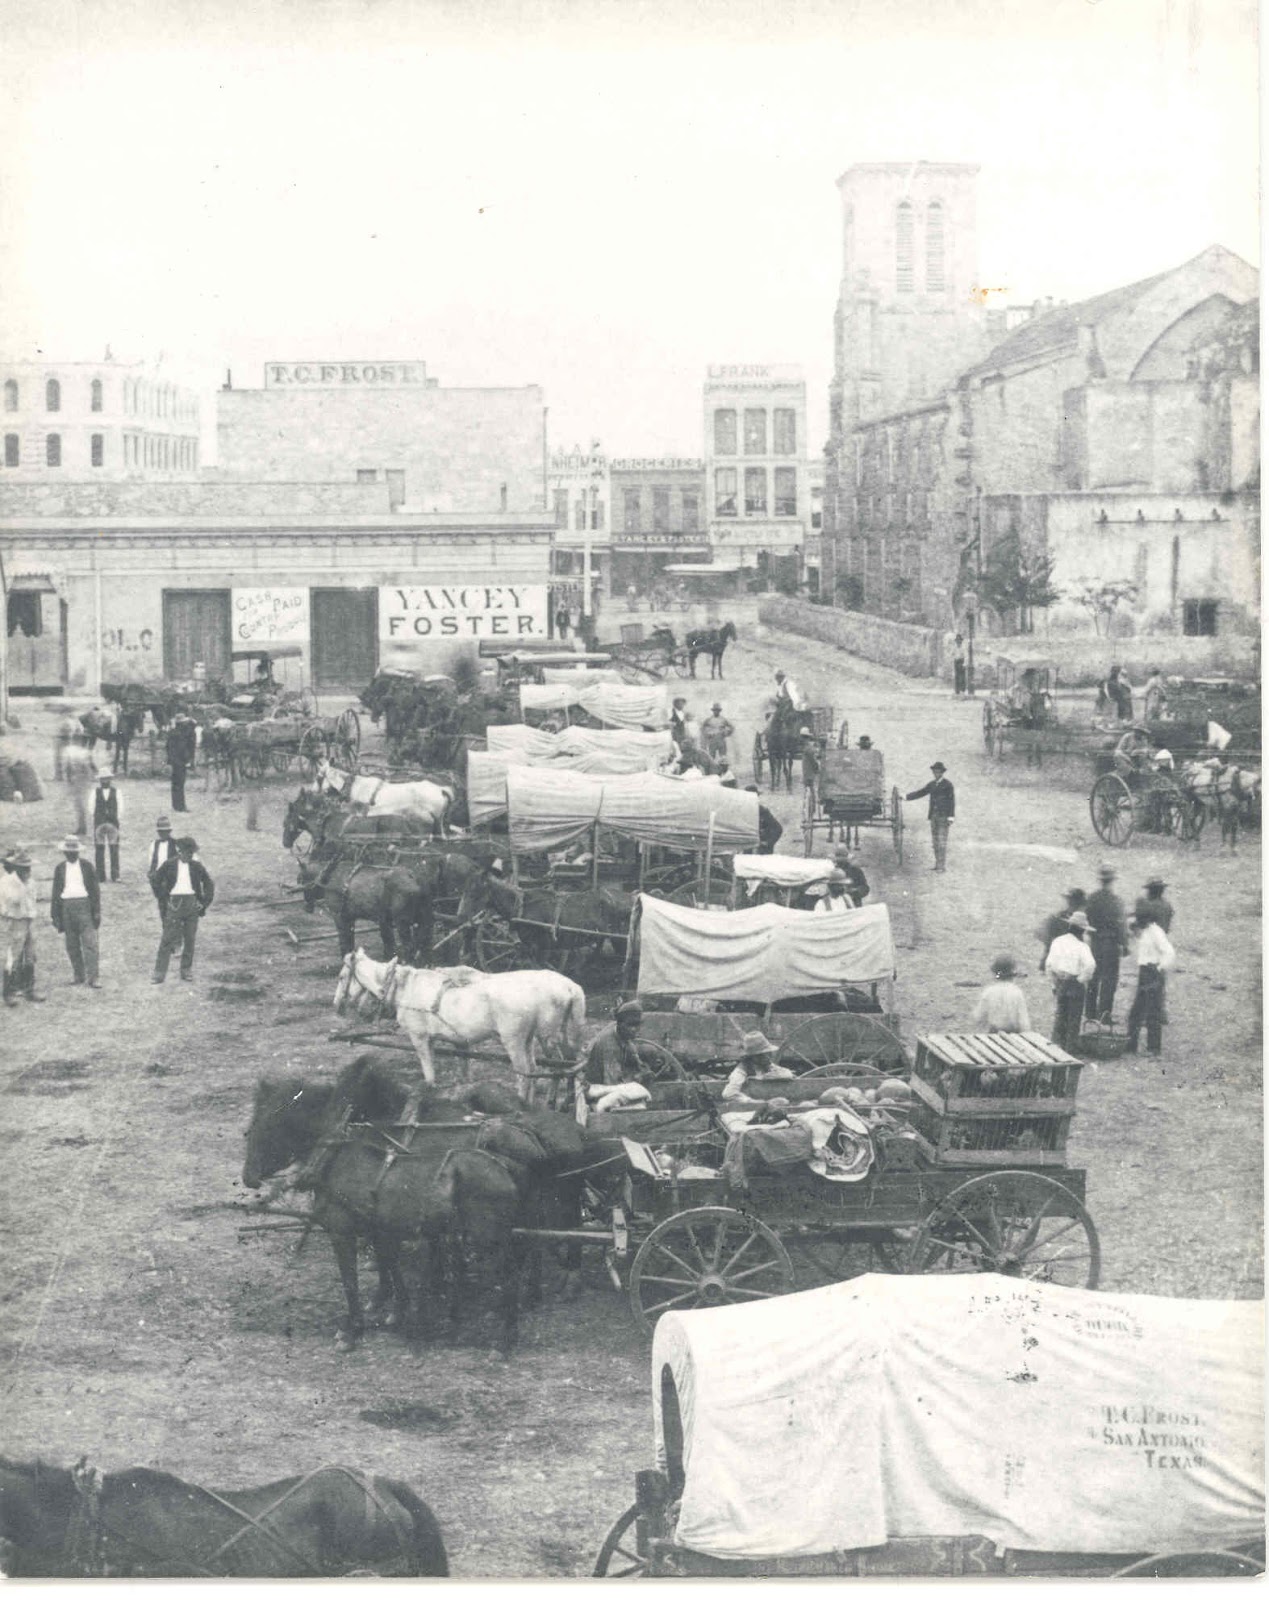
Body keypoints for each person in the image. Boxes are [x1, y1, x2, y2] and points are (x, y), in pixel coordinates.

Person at [152, 836, 214, 984]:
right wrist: (164, 898)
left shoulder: (197, 866)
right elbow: (155, 879)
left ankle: (186, 971)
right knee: (167, 939)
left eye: (192, 853)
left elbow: (209, 883)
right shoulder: (169, 865)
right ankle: (159, 974)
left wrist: (204, 903)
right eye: (188, 853)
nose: (190, 856)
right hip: (174, 904)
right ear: (180, 851)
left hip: (192, 904)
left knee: (190, 939)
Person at [51, 836, 101, 989]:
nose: (71, 854)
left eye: (74, 852)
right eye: (68, 852)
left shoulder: (87, 866)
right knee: (71, 944)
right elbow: (56, 893)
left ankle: (93, 977)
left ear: (78, 852)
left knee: (90, 943)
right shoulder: (60, 868)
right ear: (64, 853)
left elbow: (95, 890)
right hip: (66, 907)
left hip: (84, 906)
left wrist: (97, 911)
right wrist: (55, 914)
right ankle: (78, 974)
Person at [1125, 907, 1175, 1058]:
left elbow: (1169, 952)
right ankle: (1130, 1045)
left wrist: (1159, 968)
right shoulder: (1144, 931)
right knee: (1136, 1011)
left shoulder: (1156, 933)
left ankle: (1154, 1048)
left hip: (1152, 972)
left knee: (1153, 1011)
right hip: (1144, 972)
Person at [1044, 909, 1096, 1052]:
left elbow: (1049, 965)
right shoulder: (1082, 947)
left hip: (1061, 981)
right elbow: (1090, 965)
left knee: (1060, 1015)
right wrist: (1081, 980)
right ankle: (1070, 1047)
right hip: (1074, 983)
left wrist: (1053, 983)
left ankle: (1056, 1045)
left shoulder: (1058, 942)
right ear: (1081, 931)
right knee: (1074, 1017)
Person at [1084, 864, 1128, 1025]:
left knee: (1093, 978)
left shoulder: (1092, 898)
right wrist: (1125, 944)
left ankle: (1089, 1012)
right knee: (1109, 981)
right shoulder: (1116, 901)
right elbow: (1121, 925)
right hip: (1111, 944)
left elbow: (1086, 918)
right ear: (1112, 881)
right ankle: (1104, 1014)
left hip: (1095, 942)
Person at [1, 849, 44, 1006]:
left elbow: (32, 901)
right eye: (24, 867)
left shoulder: (30, 881)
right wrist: (22, 885)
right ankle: (9, 993)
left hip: (29, 919)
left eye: (29, 867)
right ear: (16, 867)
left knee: (31, 954)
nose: (28, 870)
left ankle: (29, 989)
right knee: (13, 956)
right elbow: (13, 900)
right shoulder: (6, 882)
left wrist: (32, 919)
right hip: (13, 921)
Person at [583, 1000, 656, 1090]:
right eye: (630, 1025)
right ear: (620, 1024)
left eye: (637, 1025)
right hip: (598, 1087)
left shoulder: (624, 1037)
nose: (634, 1029)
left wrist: (643, 1071)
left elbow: (636, 1060)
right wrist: (637, 1080)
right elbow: (612, 1083)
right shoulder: (609, 1045)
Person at [904, 761, 955, 872]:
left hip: (943, 816)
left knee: (941, 841)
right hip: (933, 816)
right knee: (935, 841)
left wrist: (951, 816)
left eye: (938, 772)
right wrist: (906, 797)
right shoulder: (932, 785)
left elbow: (951, 801)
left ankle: (941, 866)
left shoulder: (948, 785)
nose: (936, 774)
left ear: (942, 773)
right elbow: (921, 793)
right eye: (934, 772)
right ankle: (937, 865)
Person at [721, 1031, 796, 1101]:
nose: (770, 1056)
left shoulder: (767, 1065)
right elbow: (728, 1093)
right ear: (755, 1056)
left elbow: (788, 1074)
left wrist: (767, 1077)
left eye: (769, 1053)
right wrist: (750, 1101)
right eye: (766, 1054)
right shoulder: (741, 1070)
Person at [971, 953, 1031, 1033]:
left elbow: (978, 1017)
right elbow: (1024, 1022)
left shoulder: (989, 992)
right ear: (1013, 975)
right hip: (1014, 1035)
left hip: (994, 1034)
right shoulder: (1017, 992)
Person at [1037, 888, 1087, 972]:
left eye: (1073, 901)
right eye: (1070, 901)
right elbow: (1048, 941)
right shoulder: (1058, 917)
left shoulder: (1081, 918)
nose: (1070, 903)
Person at [146, 814, 179, 927]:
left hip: (172, 880)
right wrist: (152, 877)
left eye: (165, 831)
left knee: (173, 908)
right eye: (160, 831)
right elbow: (151, 864)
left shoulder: (176, 845)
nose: (163, 834)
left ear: (169, 831)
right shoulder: (154, 845)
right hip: (159, 881)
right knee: (163, 908)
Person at [93, 770, 123, 883]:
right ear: (100, 780)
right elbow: (91, 807)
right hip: (99, 823)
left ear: (110, 779)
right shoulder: (95, 792)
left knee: (114, 849)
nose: (105, 781)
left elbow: (120, 806)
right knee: (99, 849)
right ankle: (100, 875)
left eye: (107, 778)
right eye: (103, 779)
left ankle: (115, 875)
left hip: (113, 823)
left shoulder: (117, 792)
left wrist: (115, 817)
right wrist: (98, 817)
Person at [63, 736, 97, 835]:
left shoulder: (70, 751)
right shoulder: (86, 752)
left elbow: (68, 768)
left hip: (78, 779)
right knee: (82, 803)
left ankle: (82, 827)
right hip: (85, 780)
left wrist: (70, 780)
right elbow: (92, 767)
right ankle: (84, 826)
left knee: (79, 804)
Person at [746, 786, 783, 854]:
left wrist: (768, 843)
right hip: (747, 850)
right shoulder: (741, 811)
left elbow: (777, 828)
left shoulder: (762, 811)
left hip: (762, 850)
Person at [166, 720, 192, 813]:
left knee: (175, 784)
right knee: (180, 784)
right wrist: (187, 760)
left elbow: (168, 747)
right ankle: (181, 806)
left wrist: (169, 760)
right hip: (180, 762)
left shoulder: (171, 733)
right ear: (181, 724)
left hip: (173, 761)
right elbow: (182, 748)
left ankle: (175, 805)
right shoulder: (181, 734)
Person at [952, 633, 967, 698]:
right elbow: (952, 654)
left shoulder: (963, 648)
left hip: (961, 662)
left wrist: (964, 664)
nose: (958, 642)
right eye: (957, 640)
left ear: (961, 641)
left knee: (962, 678)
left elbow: (966, 656)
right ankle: (957, 691)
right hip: (956, 662)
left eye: (959, 640)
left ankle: (962, 691)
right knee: (957, 677)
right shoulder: (955, 647)